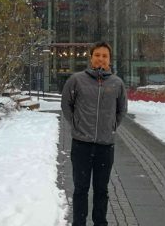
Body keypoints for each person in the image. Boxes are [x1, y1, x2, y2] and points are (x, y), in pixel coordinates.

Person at [61, 41, 128, 226]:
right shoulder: (76, 80)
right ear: (91, 58)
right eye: (97, 55)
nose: (101, 59)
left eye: (104, 56)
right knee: (80, 190)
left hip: (105, 146)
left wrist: (111, 126)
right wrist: (76, 125)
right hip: (81, 145)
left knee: (101, 190)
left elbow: (122, 110)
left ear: (109, 60)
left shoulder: (117, 83)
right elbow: (66, 104)